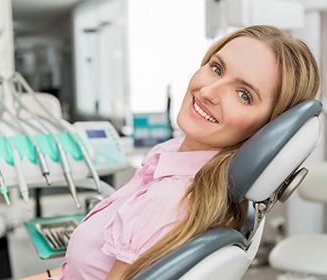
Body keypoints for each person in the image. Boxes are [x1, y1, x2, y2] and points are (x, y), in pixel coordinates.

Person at [23, 24, 320, 280]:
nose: (207, 92)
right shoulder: (172, 158)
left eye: (243, 95)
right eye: (216, 68)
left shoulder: (169, 201)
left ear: (266, 131)